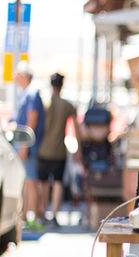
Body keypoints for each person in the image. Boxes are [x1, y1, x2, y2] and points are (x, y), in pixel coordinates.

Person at [37, 72, 80, 226]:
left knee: (43, 182)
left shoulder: (43, 103)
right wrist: (79, 150)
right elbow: (76, 128)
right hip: (59, 150)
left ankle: (43, 211)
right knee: (58, 182)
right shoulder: (67, 106)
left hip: (42, 149)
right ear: (62, 85)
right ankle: (54, 214)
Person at [11, 60, 46, 229]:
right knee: (27, 182)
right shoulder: (26, 93)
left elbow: (32, 119)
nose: (14, 76)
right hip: (25, 144)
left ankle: (36, 218)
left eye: (17, 73)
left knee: (31, 181)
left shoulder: (31, 93)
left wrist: (24, 145)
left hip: (28, 145)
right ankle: (26, 216)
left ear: (24, 75)